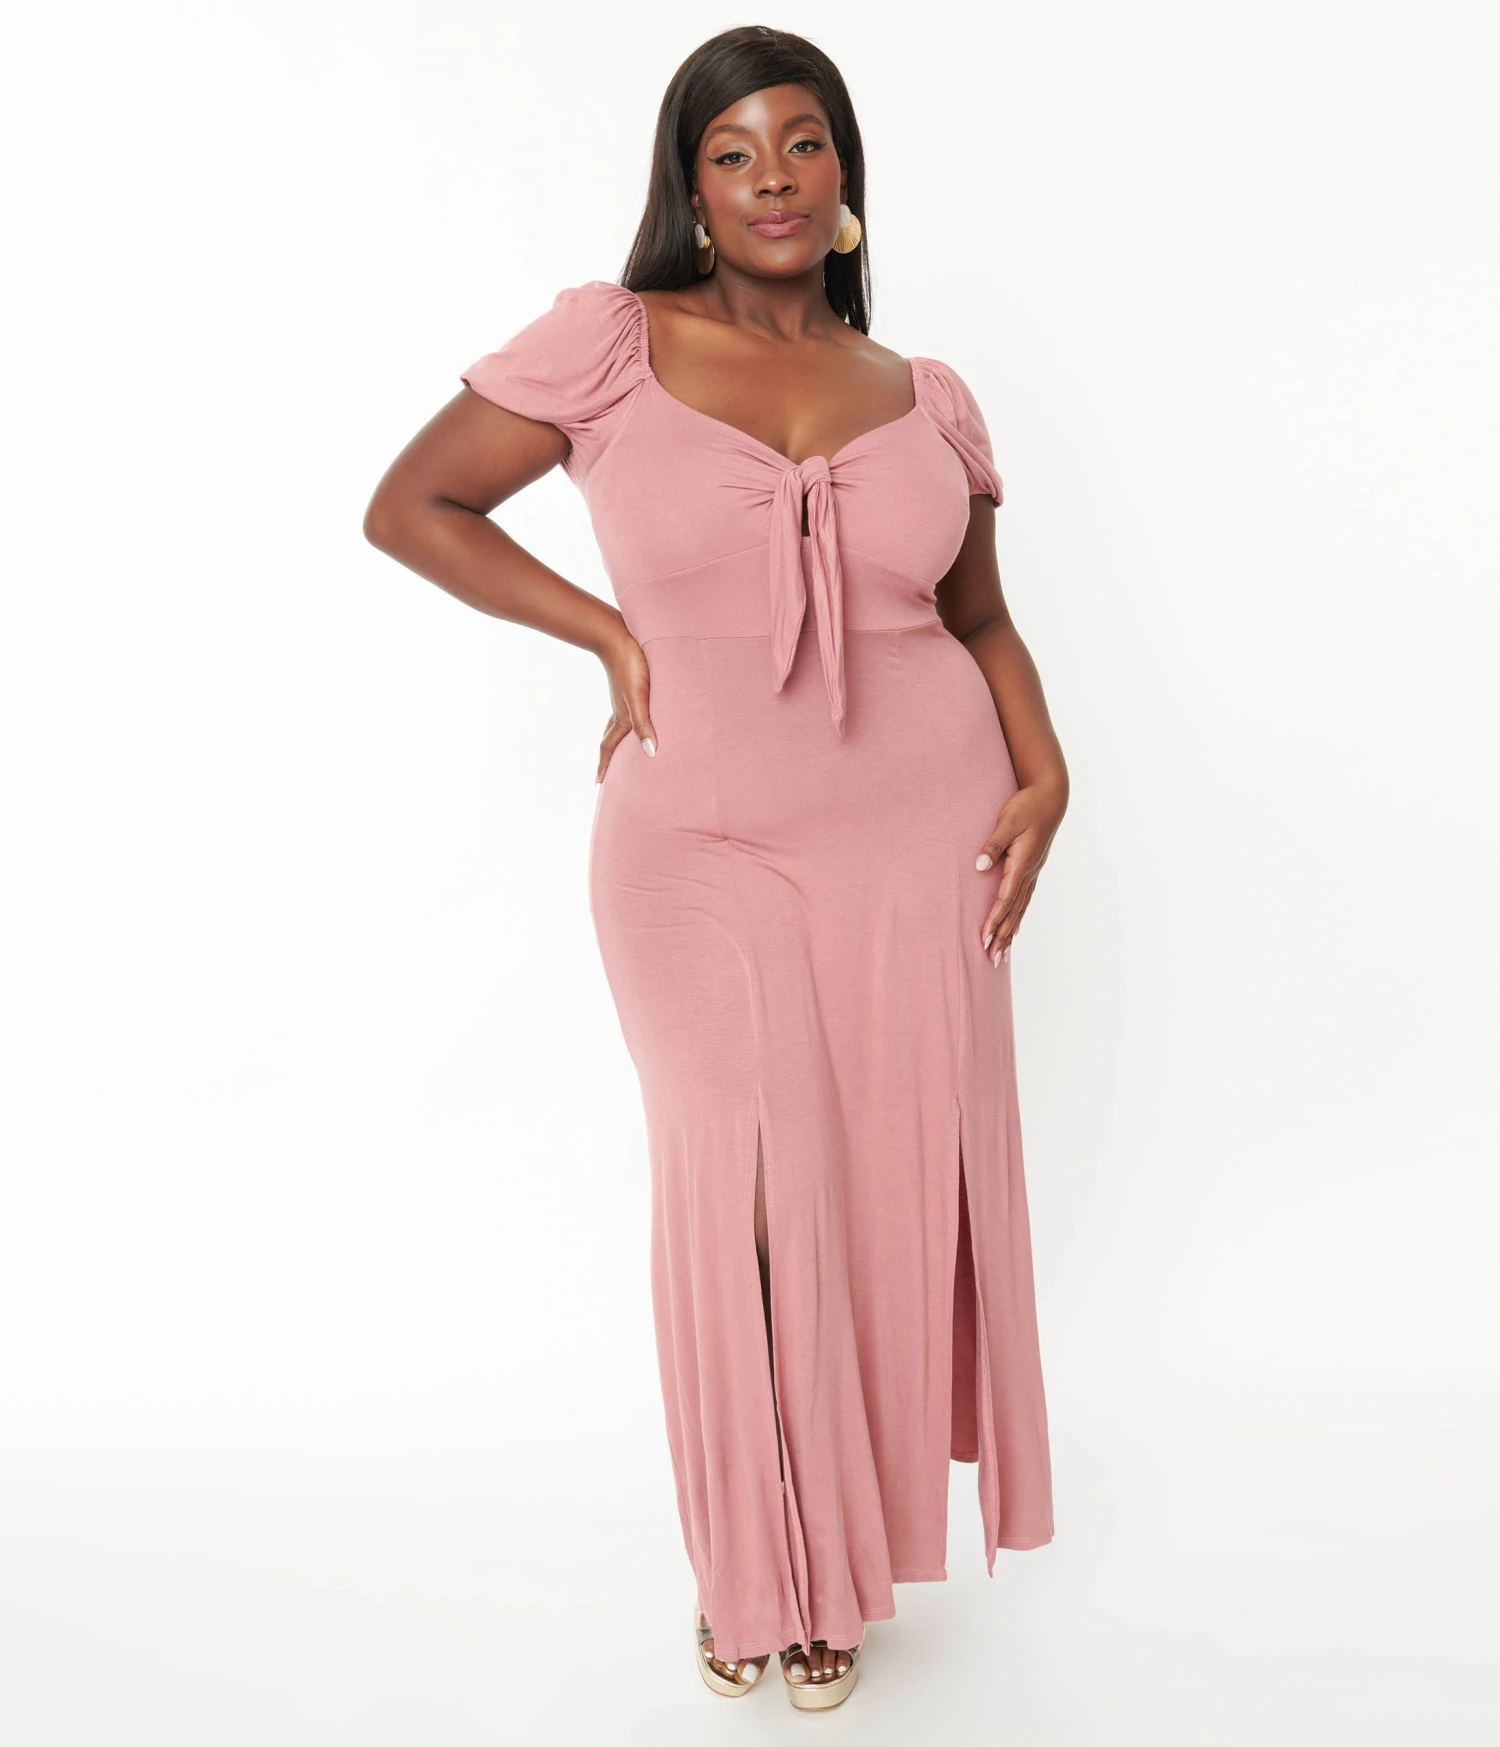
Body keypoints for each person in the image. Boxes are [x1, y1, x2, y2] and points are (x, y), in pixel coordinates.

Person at [363, 24, 1067, 1712]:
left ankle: (836, 1569)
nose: (772, 178)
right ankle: (755, 1565)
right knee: (745, 1186)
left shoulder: (925, 392)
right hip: (698, 839)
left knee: (873, 1193)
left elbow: (979, 618)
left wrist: (1047, 765)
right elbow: (415, 506)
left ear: (844, 177)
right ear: (691, 187)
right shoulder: (612, 343)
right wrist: (612, 637)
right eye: (734, 151)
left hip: (921, 839)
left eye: (802, 143)